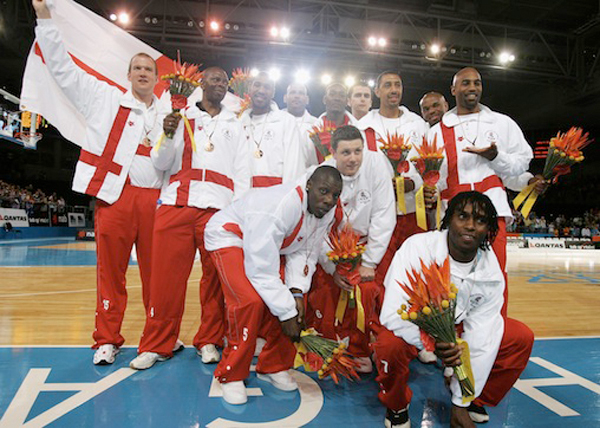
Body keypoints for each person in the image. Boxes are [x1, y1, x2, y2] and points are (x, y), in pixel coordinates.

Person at [32, 0, 170, 365]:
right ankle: (107, 339)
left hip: (156, 201)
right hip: (116, 196)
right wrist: (45, 19)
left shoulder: (170, 112)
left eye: (149, 70)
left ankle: (157, 341)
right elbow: (62, 69)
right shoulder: (103, 97)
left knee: (159, 278)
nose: (143, 73)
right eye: (137, 68)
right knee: (111, 274)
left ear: (157, 78)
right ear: (128, 74)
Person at [374, 191, 534, 428]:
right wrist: (431, 343)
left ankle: (474, 400)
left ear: (489, 229)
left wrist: (461, 402)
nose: (470, 226)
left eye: (480, 220)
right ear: (449, 219)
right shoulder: (417, 248)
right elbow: (393, 312)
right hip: (413, 325)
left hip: (458, 328)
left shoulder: (490, 271)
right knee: (389, 344)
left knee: (519, 337)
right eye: (463, 216)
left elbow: (482, 338)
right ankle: (397, 404)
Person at [129, 66, 251, 370]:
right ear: (201, 83)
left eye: (224, 80)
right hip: (176, 203)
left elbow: (242, 171)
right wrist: (168, 133)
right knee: (164, 281)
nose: (220, 83)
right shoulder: (180, 116)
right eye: (215, 79)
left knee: (215, 281)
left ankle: (209, 339)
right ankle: (157, 343)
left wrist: (237, 211)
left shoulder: (235, 124)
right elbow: (160, 160)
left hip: (218, 210)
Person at [203, 166, 343, 405]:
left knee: (297, 304)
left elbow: (306, 252)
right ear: (308, 185)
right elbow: (260, 270)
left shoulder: (324, 211)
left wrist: (296, 290)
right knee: (250, 301)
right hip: (230, 236)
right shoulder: (279, 207)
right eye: (323, 191)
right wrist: (286, 309)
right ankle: (231, 374)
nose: (329, 200)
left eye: (335, 195)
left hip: (270, 246)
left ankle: (273, 366)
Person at [430, 67, 535, 317]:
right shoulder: (436, 132)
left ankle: (497, 334)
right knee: (452, 276)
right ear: (454, 90)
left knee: (495, 274)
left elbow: (522, 163)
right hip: (453, 214)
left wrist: (495, 156)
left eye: (477, 83)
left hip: (492, 212)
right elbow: (431, 177)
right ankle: (451, 335)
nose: (472, 88)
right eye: (465, 83)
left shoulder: (502, 123)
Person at [306, 126, 395, 372]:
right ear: (333, 152)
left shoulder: (377, 165)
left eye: (358, 151)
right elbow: (315, 225)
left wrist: (370, 261)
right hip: (330, 246)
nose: (353, 158)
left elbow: (384, 215)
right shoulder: (319, 173)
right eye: (346, 153)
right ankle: (328, 342)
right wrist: (332, 265)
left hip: (367, 245)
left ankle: (361, 347)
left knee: (367, 292)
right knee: (325, 292)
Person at [357, 71, 430, 289]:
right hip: (377, 213)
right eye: (387, 85)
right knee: (380, 273)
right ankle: (378, 321)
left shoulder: (417, 124)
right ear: (377, 91)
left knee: (414, 270)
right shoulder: (364, 126)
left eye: (397, 85)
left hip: (411, 211)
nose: (394, 90)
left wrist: (413, 183)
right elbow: (359, 166)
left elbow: (427, 164)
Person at [241, 72, 304, 188]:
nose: (261, 90)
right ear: (250, 88)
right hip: (243, 197)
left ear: (273, 93)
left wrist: (286, 199)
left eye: (267, 87)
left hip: (275, 198)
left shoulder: (286, 121)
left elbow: (294, 166)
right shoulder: (239, 123)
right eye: (257, 85)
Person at [303, 82, 358, 167]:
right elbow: (304, 163)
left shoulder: (359, 129)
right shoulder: (311, 132)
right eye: (332, 94)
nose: (337, 98)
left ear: (347, 101)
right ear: (324, 100)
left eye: (341, 95)